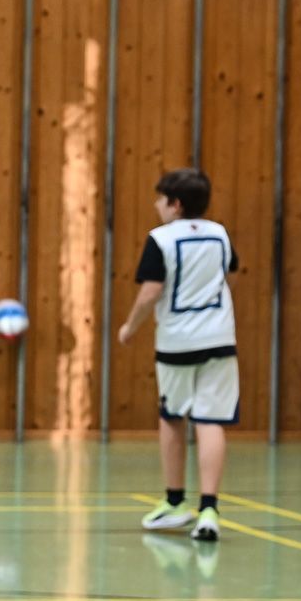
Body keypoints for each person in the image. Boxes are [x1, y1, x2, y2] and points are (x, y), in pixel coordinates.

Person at [118, 168, 239, 543]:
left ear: (176, 204)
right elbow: (229, 273)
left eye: (160, 199)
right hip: (220, 337)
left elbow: (150, 292)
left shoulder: (161, 239)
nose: (156, 205)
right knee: (211, 419)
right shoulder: (220, 233)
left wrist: (130, 326)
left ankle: (174, 502)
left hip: (177, 342)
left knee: (173, 418)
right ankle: (209, 509)